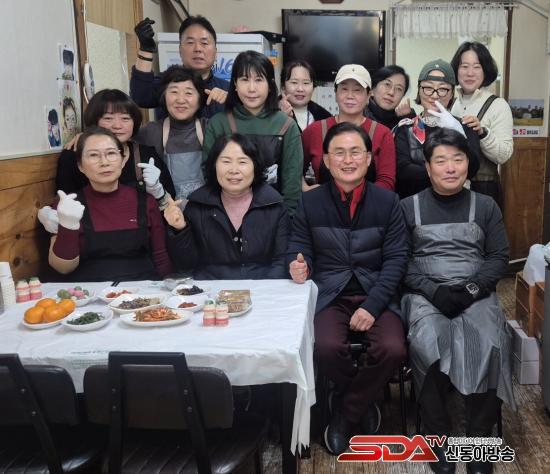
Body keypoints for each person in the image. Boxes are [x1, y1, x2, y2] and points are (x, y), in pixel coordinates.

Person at [288, 122, 408, 456]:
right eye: (339, 153)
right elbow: (298, 248)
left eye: (356, 152)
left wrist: (372, 306)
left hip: (376, 292)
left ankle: (345, 412)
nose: (348, 159)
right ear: (326, 161)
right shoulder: (310, 202)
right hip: (330, 294)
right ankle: (364, 402)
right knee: (325, 347)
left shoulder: (388, 202)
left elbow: (397, 260)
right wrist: (296, 266)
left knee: (393, 348)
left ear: (369, 159)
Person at [400, 128, 514, 474]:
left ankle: (479, 440)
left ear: (468, 164)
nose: (450, 167)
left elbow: (498, 257)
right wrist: (433, 291)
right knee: (428, 343)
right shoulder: (408, 207)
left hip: (475, 291)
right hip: (425, 294)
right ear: (428, 168)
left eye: (458, 159)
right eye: (441, 161)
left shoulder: (486, 205)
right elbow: (400, 262)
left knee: (491, 341)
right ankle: (438, 437)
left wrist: (472, 290)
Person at [38, 89, 176, 235]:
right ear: (94, 121)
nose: (117, 125)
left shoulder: (147, 155)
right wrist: (49, 215)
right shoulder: (74, 156)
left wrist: (158, 191)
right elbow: (65, 202)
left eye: (125, 118)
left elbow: (170, 205)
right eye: (108, 118)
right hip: (91, 238)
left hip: (142, 238)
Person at [48, 127, 173, 281]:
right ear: (80, 166)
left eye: (111, 153)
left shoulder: (146, 201)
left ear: (123, 160)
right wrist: (68, 226)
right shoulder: (68, 205)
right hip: (89, 288)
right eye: (93, 155)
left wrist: (170, 286)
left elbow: (160, 257)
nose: (104, 162)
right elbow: (63, 268)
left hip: (142, 287)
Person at [165, 133, 289, 279]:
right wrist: (180, 229)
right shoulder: (197, 206)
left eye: (242, 162)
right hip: (211, 289)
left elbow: (281, 261)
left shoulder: (274, 206)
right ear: (214, 165)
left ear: (255, 166)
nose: (234, 170)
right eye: (226, 161)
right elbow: (186, 266)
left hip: (261, 288)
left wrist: (264, 290)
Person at [203, 50, 303, 217]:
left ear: (270, 85)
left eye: (259, 80)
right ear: (235, 84)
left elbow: (292, 181)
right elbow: (209, 173)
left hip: (273, 215)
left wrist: (287, 218)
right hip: (225, 215)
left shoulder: (286, 125)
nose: (251, 88)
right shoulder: (218, 123)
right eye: (244, 79)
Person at [394, 59, 481, 199]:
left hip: (457, 202)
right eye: (428, 88)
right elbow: (403, 171)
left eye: (442, 89)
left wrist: (459, 133)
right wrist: (442, 173)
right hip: (413, 202)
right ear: (419, 90)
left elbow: (472, 170)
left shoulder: (466, 126)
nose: (434, 95)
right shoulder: (406, 128)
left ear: (452, 93)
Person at [301, 64, 396, 192]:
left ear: (368, 96)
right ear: (335, 93)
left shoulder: (382, 133)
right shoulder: (314, 131)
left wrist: (359, 199)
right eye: (344, 89)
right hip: (322, 203)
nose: (350, 96)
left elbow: (387, 181)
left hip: (370, 203)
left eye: (357, 90)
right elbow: (292, 170)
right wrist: (305, 188)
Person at [451, 41, 513, 206]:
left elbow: (504, 155)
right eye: (464, 66)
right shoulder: (452, 104)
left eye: (477, 67)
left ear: (485, 70)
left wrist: (483, 133)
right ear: (456, 70)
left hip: (484, 188)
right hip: (451, 186)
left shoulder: (498, 105)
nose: (470, 73)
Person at [131, 15, 228, 118]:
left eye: (204, 43)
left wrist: (231, 102)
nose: (198, 49)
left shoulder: (227, 89)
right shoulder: (166, 82)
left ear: (215, 53)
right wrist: (146, 48)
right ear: (180, 51)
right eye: (190, 42)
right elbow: (140, 97)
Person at [135, 66, 206, 202]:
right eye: (174, 92)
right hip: (166, 208)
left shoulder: (209, 128)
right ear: (164, 96)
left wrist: (229, 102)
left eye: (188, 93)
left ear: (200, 98)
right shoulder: (151, 131)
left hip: (205, 210)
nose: (180, 100)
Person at [279, 60, 331, 132]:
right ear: (283, 87)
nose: (300, 89)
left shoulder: (324, 117)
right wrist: (279, 120)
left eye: (306, 83)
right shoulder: (270, 113)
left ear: (313, 88)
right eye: (294, 82)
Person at [365, 64, 416, 130]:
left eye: (399, 89)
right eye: (387, 84)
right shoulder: (359, 115)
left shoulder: (404, 118)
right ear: (372, 90)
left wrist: (407, 118)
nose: (391, 92)